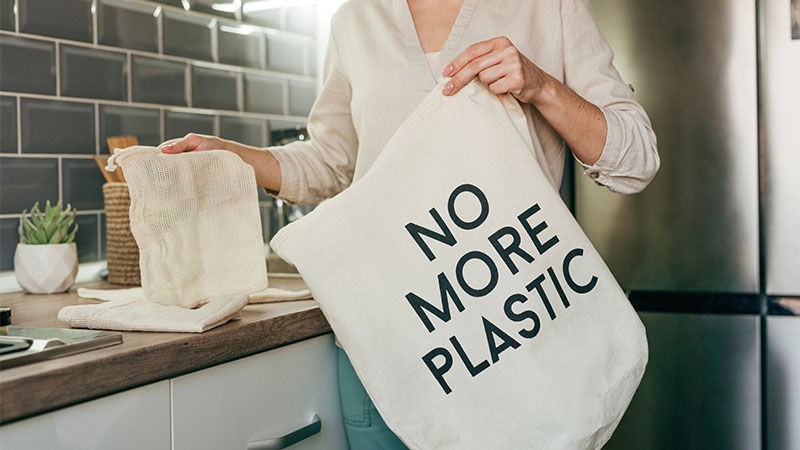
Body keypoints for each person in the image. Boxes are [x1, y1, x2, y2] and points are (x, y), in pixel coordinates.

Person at [158, 0, 660, 447]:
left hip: (519, 325)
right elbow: (333, 161)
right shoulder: (355, 18)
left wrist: (541, 85)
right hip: (392, 333)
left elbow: (635, 161)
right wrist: (231, 157)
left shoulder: (546, 7)